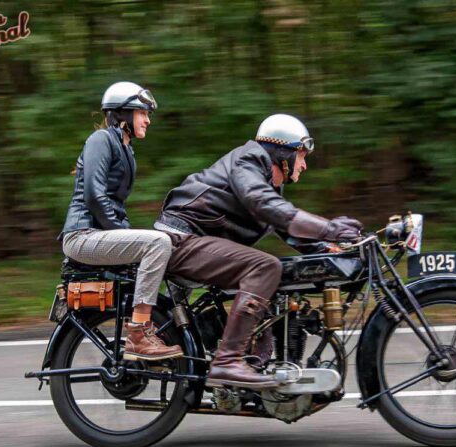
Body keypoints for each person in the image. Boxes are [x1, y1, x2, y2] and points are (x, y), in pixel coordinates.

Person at [154, 113, 362, 389]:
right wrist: (330, 228)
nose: (305, 164)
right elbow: (263, 204)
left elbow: (290, 230)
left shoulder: (265, 181)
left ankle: (256, 363)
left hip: (199, 243)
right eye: (302, 155)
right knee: (264, 266)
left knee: (279, 275)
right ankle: (227, 362)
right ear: (283, 153)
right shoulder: (248, 161)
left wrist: (339, 245)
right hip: (182, 239)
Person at [60, 81, 182, 362]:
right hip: (82, 236)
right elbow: (94, 195)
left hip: (98, 234)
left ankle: (170, 328)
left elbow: (114, 205)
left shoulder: (126, 150)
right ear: (123, 114)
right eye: (143, 113)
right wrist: (123, 232)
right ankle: (139, 332)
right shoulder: (101, 140)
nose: (148, 120)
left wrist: (125, 233)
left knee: (171, 245)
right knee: (156, 243)